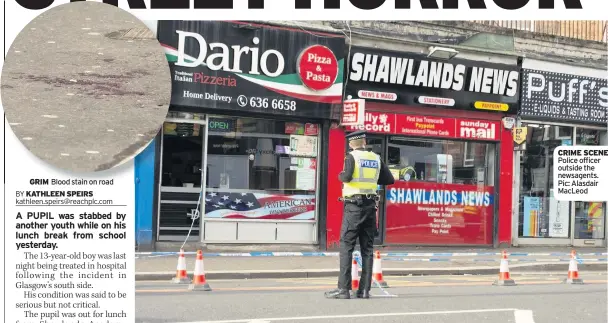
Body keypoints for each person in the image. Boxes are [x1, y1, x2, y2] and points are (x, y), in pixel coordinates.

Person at [325, 130, 395, 299]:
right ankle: (364, 290)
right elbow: (389, 179)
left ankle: (343, 289)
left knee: (346, 246)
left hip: (354, 208)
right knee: (367, 248)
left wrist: (340, 175)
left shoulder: (351, 157)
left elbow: (347, 177)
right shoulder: (375, 158)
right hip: (370, 207)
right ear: (364, 141)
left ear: (350, 144)